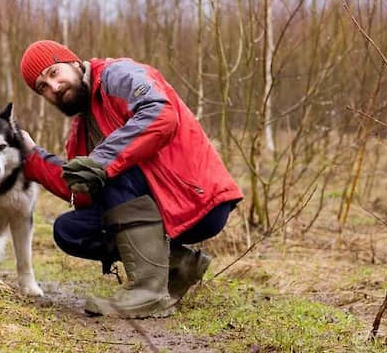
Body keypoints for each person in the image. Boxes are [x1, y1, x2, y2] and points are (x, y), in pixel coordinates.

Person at [18, 40, 243, 318]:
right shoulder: (80, 131)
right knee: (70, 230)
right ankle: (179, 266)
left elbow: (161, 114)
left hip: (193, 199)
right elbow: (84, 190)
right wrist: (32, 157)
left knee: (112, 171)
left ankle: (148, 292)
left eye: (54, 73)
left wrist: (101, 162)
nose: (54, 87)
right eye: (43, 88)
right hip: (157, 210)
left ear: (74, 62)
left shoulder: (118, 75)